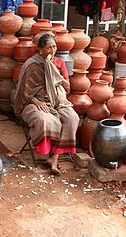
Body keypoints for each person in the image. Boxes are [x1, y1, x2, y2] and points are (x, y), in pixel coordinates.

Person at [13, 34, 79, 175]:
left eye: (54, 46)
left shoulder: (59, 63)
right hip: (33, 101)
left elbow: (68, 88)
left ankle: (54, 158)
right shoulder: (30, 64)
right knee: (44, 119)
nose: (52, 50)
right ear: (40, 49)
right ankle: (48, 154)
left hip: (57, 100)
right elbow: (24, 91)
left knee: (72, 117)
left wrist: (58, 78)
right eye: (49, 47)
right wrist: (36, 101)